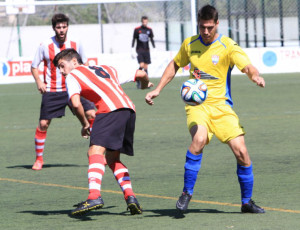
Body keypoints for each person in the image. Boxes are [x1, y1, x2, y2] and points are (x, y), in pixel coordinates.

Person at [145, 5, 266, 214]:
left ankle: (247, 202)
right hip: (197, 106)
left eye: (210, 27)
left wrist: (254, 76)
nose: (206, 32)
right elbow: (174, 64)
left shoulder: (227, 45)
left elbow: (247, 66)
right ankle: (186, 193)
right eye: (202, 27)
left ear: (217, 24)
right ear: (198, 25)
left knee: (242, 152)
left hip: (222, 108)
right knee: (199, 140)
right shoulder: (190, 44)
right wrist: (158, 89)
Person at [53, 48, 144, 216]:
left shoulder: (73, 75)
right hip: (129, 110)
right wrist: (145, 84)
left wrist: (85, 124)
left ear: (74, 62)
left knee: (94, 151)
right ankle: (130, 197)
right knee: (112, 158)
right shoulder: (105, 69)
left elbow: (74, 102)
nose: (61, 71)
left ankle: (94, 196)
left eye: (62, 66)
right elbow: (140, 73)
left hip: (110, 111)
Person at [31, 13, 96, 171]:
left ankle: (96, 153)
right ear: (54, 28)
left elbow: (84, 63)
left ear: (68, 27)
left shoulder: (76, 42)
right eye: (58, 27)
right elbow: (34, 66)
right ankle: (39, 159)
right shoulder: (45, 45)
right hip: (53, 89)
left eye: (64, 26)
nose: (61, 30)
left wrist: (87, 82)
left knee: (92, 115)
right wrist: (39, 81)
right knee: (43, 123)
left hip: (75, 86)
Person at [131, 16, 155, 87]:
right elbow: (134, 39)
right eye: (144, 22)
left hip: (147, 50)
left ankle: (146, 83)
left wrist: (154, 48)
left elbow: (152, 39)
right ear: (142, 21)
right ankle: (138, 80)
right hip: (139, 50)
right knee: (141, 65)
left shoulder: (149, 30)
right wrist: (132, 49)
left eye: (146, 22)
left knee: (146, 67)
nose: (145, 23)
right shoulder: (137, 29)